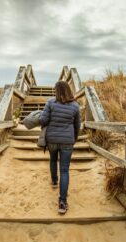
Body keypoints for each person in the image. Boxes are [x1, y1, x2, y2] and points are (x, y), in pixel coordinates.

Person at [39, 81, 81, 214]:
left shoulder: (50, 102)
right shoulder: (75, 106)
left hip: (52, 139)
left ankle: (54, 181)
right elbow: (77, 125)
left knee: (52, 159)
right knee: (65, 170)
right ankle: (62, 202)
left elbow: (43, 120)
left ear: (56, 91)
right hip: (67, 140)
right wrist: (73, 139)